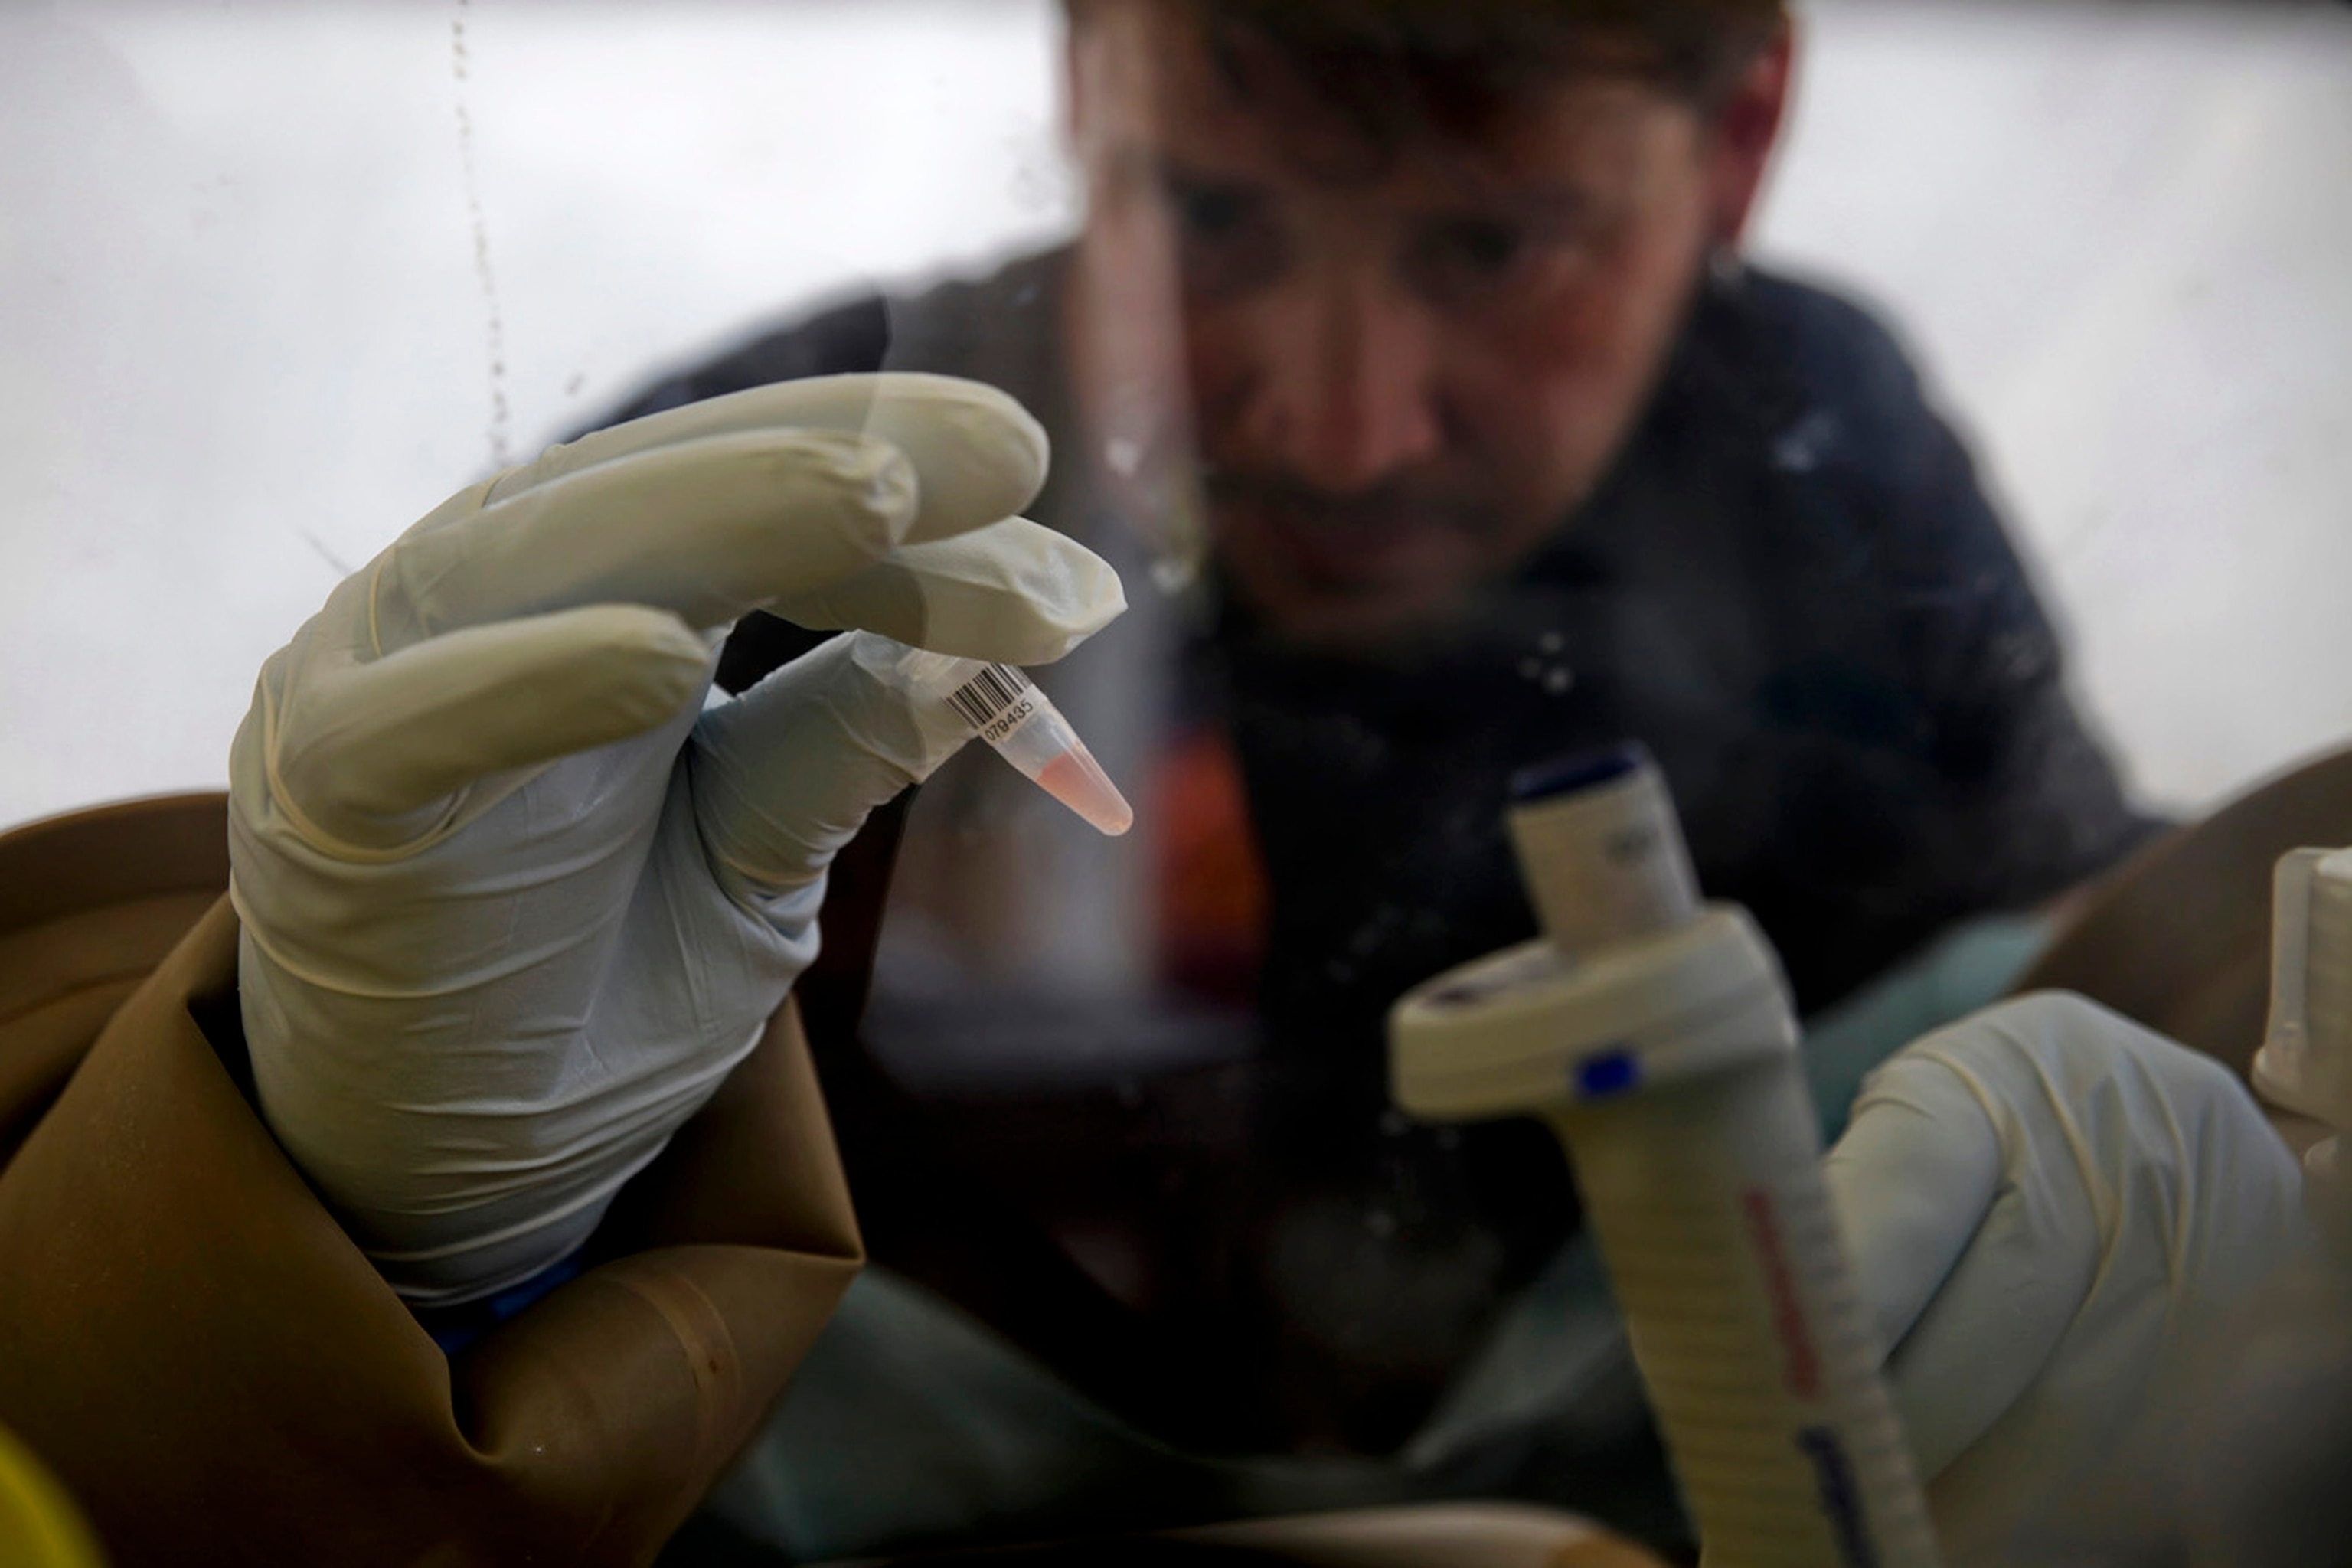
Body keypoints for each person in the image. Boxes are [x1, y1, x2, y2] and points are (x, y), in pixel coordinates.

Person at [205, 1, 2302, 1563]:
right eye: (1207, 215)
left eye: (1494, 249)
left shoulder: (1819, 444)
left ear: (1740, 131)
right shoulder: (779, 510)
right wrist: (394, 1235)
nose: (1340, 421)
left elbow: (2085, 942)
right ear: (1082, 72)